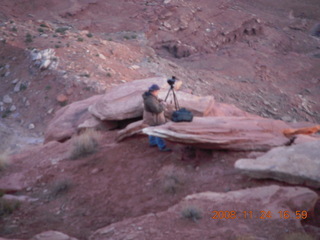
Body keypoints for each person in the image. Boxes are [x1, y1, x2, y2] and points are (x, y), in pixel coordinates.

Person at [142, 84, 172, 152]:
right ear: (154, 91)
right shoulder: (150, 100)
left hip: (151, 117)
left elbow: (157, 99)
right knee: (159, 131)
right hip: (154, 118)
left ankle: (152, 142)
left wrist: (161, 101)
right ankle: (162, 147)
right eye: (158, 91)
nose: (158, 92)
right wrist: (164, 104)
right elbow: (157, 110)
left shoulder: (150, 96)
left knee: (152, 129)